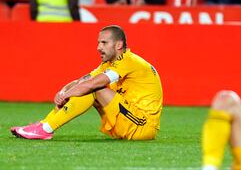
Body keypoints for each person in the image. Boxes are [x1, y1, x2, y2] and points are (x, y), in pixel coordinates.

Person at [11, 25, 163, 141]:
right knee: (85, 87)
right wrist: (63, 91)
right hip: (128, 120)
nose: (99, 47)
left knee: (94, 88)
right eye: (98, 43)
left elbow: (91, 85)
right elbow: (82, 80)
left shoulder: (128, 61)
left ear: (118, 45)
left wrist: (67, 94)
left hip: (142, 125)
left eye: (104, 43)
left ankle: (45, 128)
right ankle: (43, 125)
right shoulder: (109, 64)